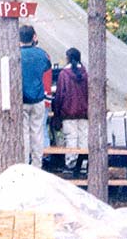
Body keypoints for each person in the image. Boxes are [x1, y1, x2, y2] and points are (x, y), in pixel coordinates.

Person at [20, 25, 51, 168]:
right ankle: (37, 164)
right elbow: (47, 67)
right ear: (34, 37)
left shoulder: (16, 54)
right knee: (37, 132)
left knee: (24, 133)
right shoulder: (42, 54)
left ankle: (25, 163)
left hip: (21, 99)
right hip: (38, 98)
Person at [52, 47, 88, 171]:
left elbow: (60, 95)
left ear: (68, 58)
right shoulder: (85, 73)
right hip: (84, 112)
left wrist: (57, 114)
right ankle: (83, 164)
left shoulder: (64, 74)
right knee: (84, 138)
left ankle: (71, 163)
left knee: (71, 138)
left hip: (68, 112)